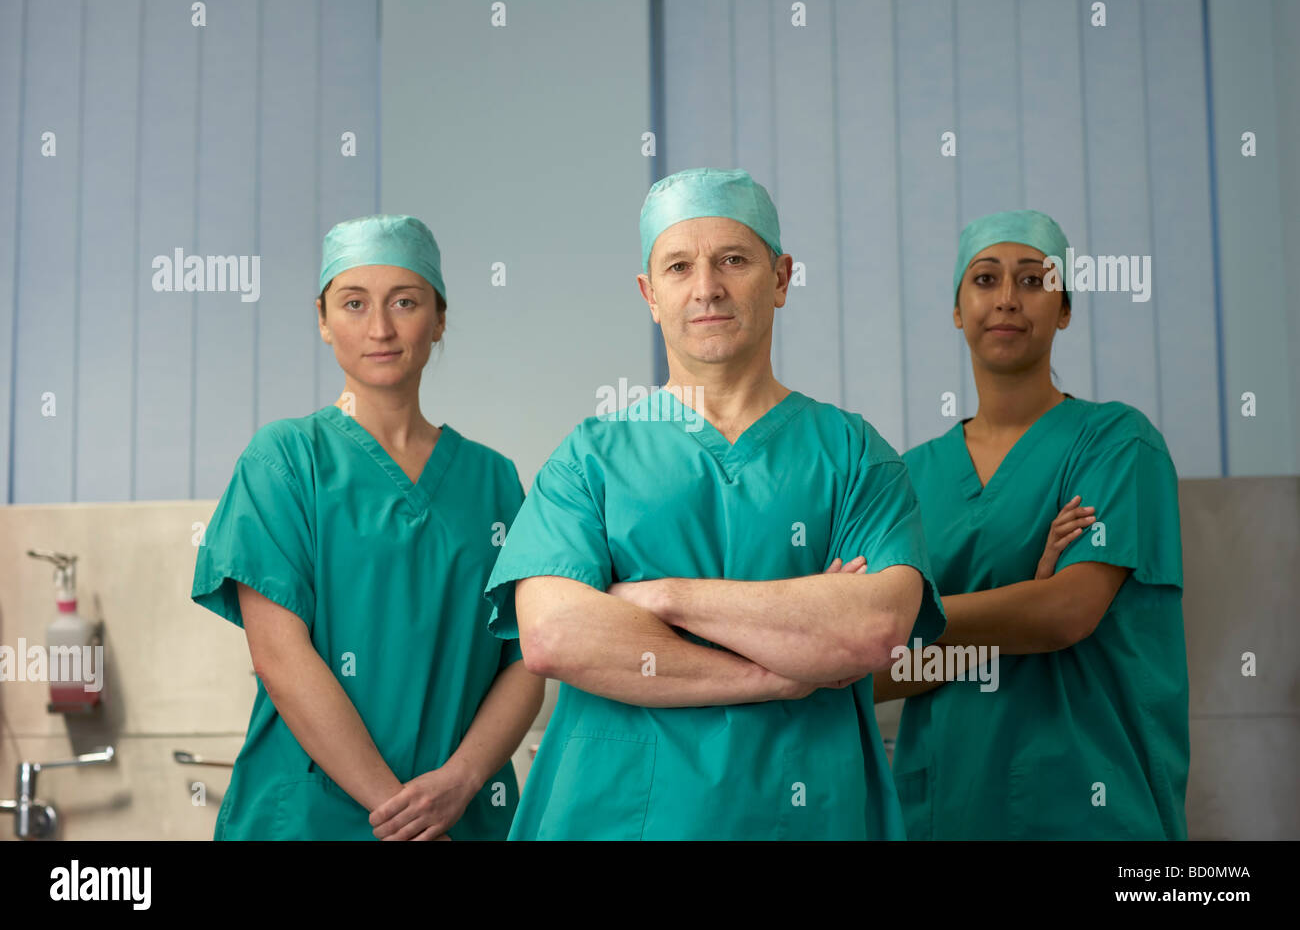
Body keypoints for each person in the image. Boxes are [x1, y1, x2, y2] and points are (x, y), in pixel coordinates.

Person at [483, 168, 945, 840]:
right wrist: (781, 670)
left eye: (733, 259)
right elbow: (555, 636)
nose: (707, 287)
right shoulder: (591, 457)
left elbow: (870, 631)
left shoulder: (851, 453)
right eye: (679, 267)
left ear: (782, 278)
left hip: (805, 811)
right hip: (614, 816)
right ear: (650, 294)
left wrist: (662, 598)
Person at [191, 213, 544, 840]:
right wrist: (405, 816)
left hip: (463, 815)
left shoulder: (492, 481)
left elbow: (526, 659)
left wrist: (461, 783)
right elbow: (279, 655)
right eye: (354, 304)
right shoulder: (286, 461)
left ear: (437, 320)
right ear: (324, 321)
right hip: (313, 818)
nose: (380, 328)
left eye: (404, 302)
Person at [877, 209, 1189, 839]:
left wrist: (921, 616)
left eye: (1034, 281)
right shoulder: (908, 476)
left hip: (1089, 799)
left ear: (1065, 310)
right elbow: (879, 672)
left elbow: (1064, 615)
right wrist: (1022, 598)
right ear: (958, 310)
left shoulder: (1118, 444)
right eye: (985, 280)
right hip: (947, 807)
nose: (1008, 300)